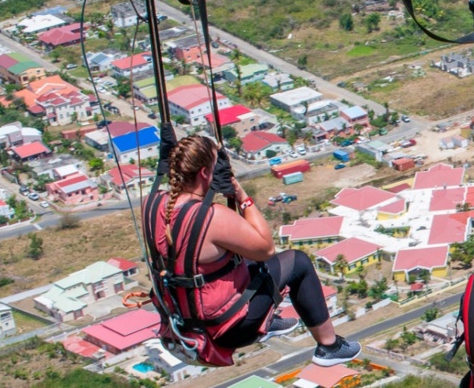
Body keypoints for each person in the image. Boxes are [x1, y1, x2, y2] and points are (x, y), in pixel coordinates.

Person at [149, 134, 360, 366]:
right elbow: (266, 248)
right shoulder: (211, 217)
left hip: (182, 319)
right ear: (204, 172)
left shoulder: (153, 204)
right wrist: (242, 197)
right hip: (226, 328)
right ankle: (329, 346)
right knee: (297, 263)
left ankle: (268, 319)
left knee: (241, 258)